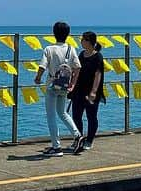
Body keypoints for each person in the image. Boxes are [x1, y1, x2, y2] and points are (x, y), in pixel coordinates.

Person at [35, 21, 82, 155]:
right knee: (62, 113)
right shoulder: (71, 49)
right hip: (65, 86)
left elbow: (42, 66)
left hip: (52, 85)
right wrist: (73, 83)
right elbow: (77, 67)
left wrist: (38, 78)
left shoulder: (49, 49)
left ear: (53, 33)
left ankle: (56, 147)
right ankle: (77, 135)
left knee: (51, 116)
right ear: (67, 34)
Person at [69, 31, 105, 154]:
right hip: (79, 90)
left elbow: (98, 75)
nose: (81, 42)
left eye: (83, 40)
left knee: (91, 116)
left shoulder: (98, 56)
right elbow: (77, 70)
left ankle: (89, 140)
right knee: (76, 116)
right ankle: (78, 139)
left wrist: (94, 92)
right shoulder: (81, 54)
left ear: (89, 42)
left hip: (91, 91)